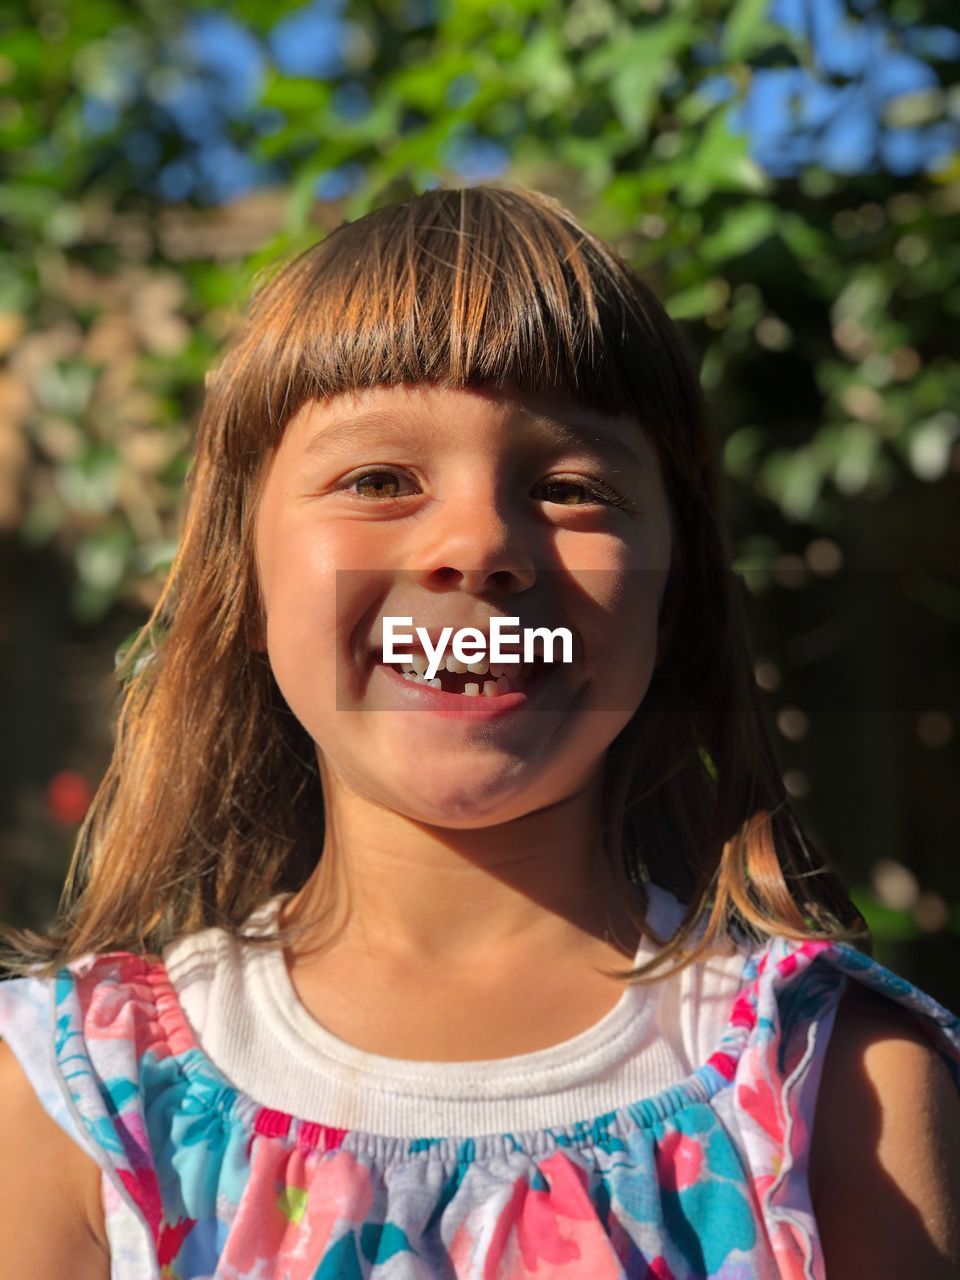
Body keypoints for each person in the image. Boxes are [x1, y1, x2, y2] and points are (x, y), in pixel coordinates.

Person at [1, 184, 958, 1279]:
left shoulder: (835, 1085)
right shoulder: (74, 1104)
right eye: (376, 478)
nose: (477, 543)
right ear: (246, 580)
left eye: (569, 485)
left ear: (675, 593)